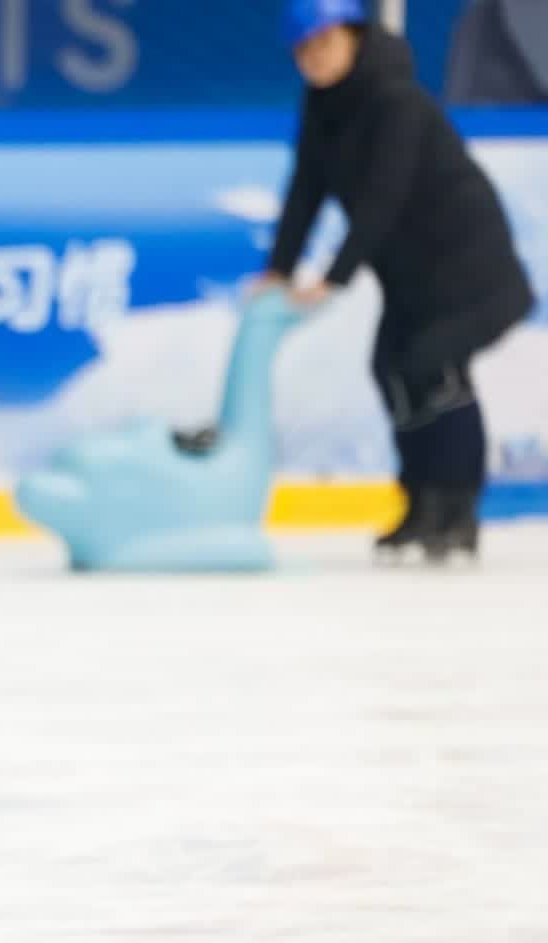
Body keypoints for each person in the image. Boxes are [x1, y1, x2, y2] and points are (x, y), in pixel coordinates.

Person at [262, 0, 535, 561]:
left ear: (354, 37)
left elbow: (383, 200)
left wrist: (334, 278)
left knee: (435, 366)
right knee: (392, 367)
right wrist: (279, 270)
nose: (314, 60)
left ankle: (455, 510)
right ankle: (419, 502)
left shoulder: (396, 101)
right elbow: (305, 191)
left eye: (324, 44)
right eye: (303, 51)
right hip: (411, 268)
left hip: (466, 261)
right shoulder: (323, 107)